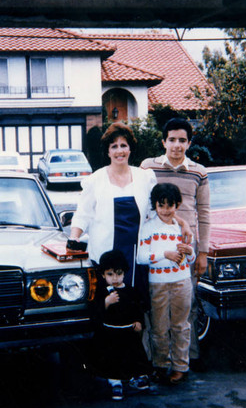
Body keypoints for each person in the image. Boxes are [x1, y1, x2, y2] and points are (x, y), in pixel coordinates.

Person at [69, 122, 191, 310]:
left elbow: (156, 210)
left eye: (123, 145)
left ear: (130, 148)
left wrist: (183, 224)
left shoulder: (144, 177)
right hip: (106, 259)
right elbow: (82, 215)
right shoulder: (95, 180)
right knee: (109, 311)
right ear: (108, 151)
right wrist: (73, 237)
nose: (120, 151)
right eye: (114, 146)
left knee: (136, 313)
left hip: (137, 258)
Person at [140, 117, 210, 369]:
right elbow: (146, 206)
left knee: (186, 308)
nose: (177, 145)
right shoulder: (148, 167)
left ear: (189, 143)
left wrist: (202, 253)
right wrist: (180, 220)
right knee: (154, 310)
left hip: (186, 251)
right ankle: (154, 360)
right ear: (163, 141)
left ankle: (185, 360)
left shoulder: (199, 172)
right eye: (172, 140)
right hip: (158, 248)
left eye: (182, 140)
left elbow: (204, 212)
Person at [138, 183, 196, 384]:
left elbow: (191, 258)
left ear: (177, 205)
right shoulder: (148, 226)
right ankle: (161, 365)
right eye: (161, 205)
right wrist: (164, 254)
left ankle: (181, 366)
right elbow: (141, 257)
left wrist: (189, 253)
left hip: (182, 281)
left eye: (170, 205)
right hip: (158, 284)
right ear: (155, 205)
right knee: (159, 328)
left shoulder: (182, 227)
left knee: (180, 325)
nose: (165, 210)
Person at [89, 250, 151, 400]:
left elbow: (137, 308)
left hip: (128, 331)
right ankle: (115, 382)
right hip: (110, 333)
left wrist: (138, 322)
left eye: (118, 273)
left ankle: (137, 376)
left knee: (133, 354)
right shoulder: (102, 292)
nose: (115, 278)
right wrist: (106, 302)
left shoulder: (130, 290)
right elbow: (95, 311)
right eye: (110, 274)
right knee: (112, 357)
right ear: (103, 275)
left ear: (124, 273)